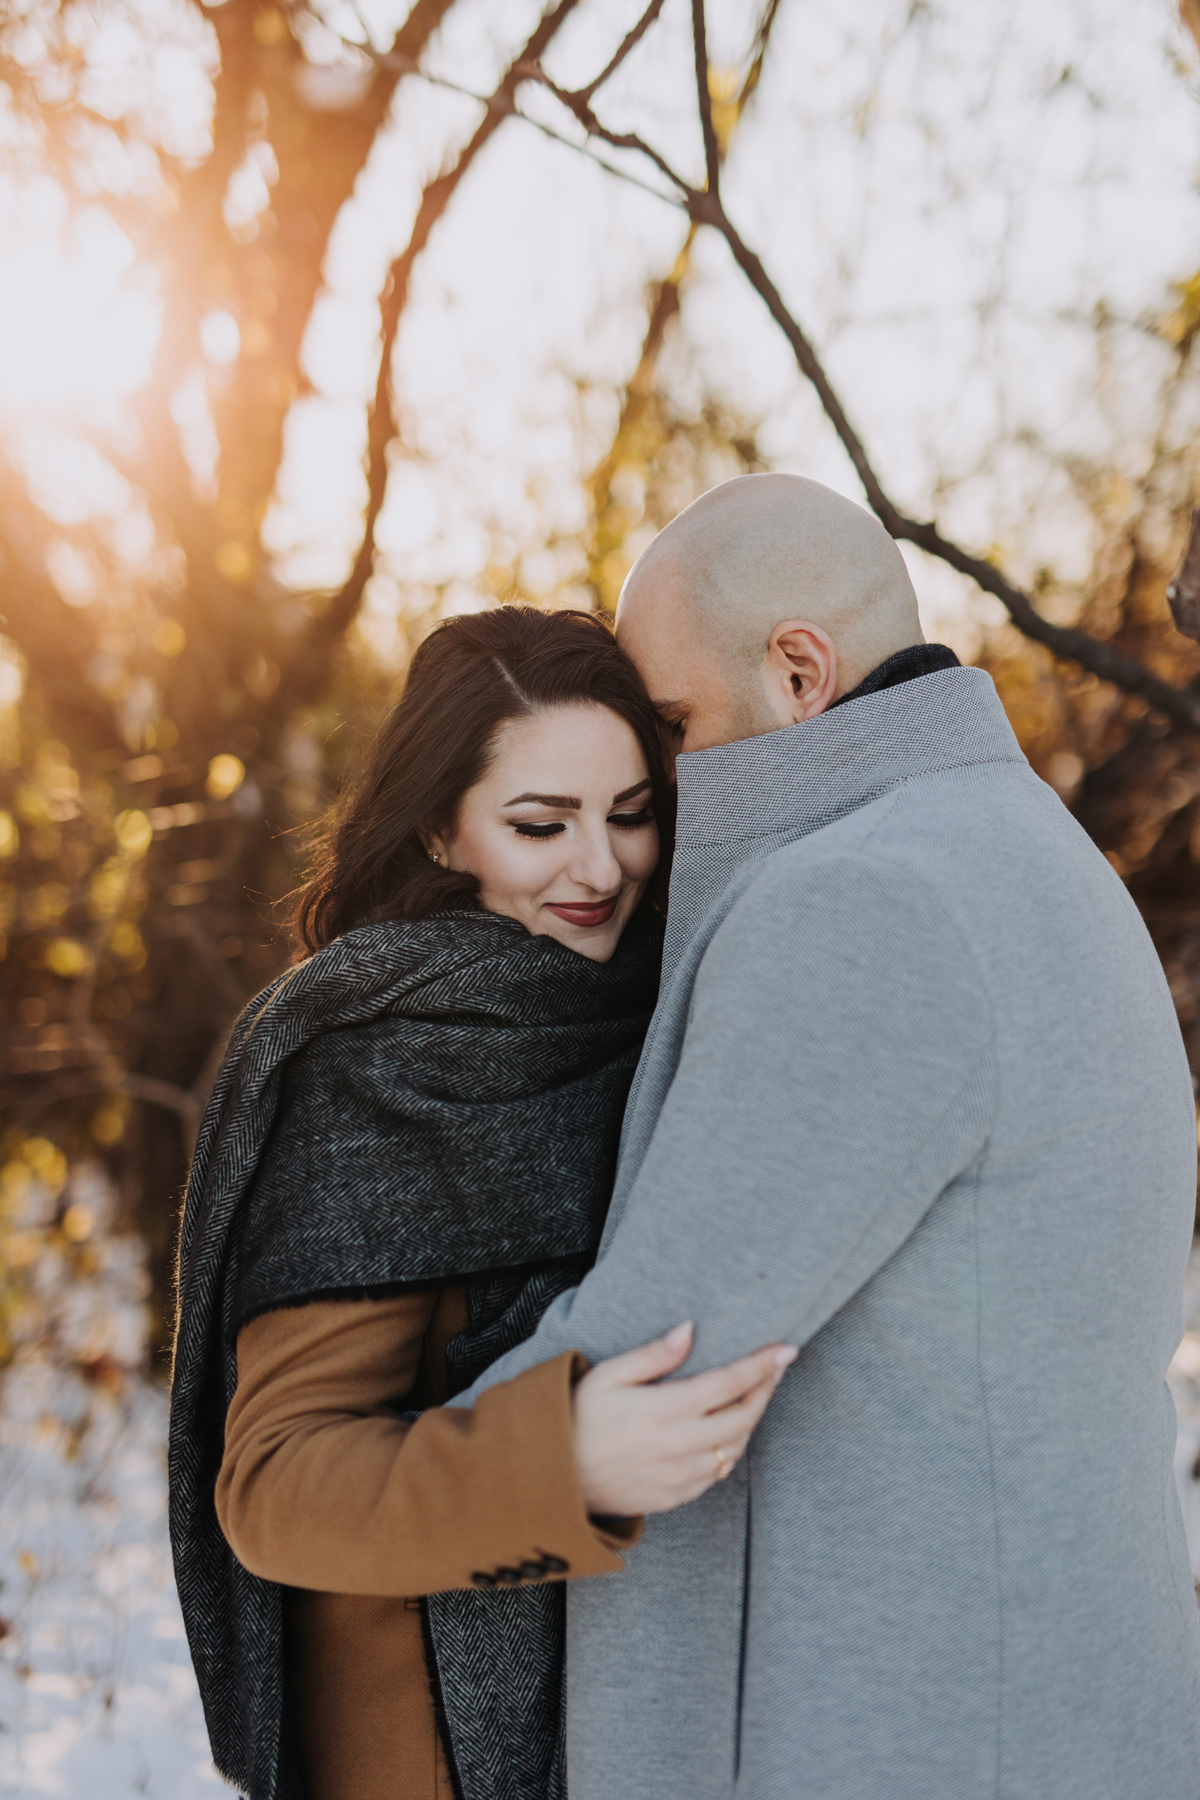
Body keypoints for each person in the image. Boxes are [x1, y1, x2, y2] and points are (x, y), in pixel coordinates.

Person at [457, 475, 1200, 1800]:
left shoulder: (868, 901)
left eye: (675, 726)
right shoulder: (1031, 851)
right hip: (1051, 1712)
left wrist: (349, 1480)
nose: (659, 790)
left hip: (907, 1736)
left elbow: (659, 1352)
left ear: (800, 674)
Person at [168, 605, 792, 1800]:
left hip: (657, 1710)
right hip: (427, 1749)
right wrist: (563, 1460)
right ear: (442, 833)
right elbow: (276, 1488)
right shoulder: (376, 1068)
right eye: (538, 824)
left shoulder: (671, 1006)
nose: (600, 868)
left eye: (630, 814)